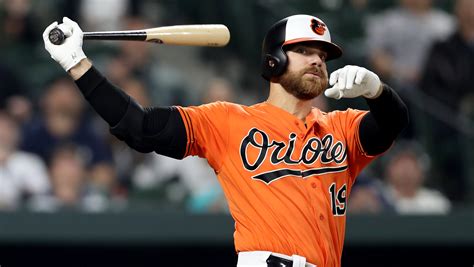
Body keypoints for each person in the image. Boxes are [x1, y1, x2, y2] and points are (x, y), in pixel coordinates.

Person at [43, 15, 408, 267]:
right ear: (274, 61)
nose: (317, 61)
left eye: (322, 55)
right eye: (306, 51)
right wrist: (78, 64)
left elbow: (393, 123)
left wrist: (378, 91)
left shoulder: (343, 128)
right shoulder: (230, 121)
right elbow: (140, 128)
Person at [419, 0, 474, 202]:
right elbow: (430, 88)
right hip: (451, 122)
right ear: (456, 12)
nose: (470, 12)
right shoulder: (443, 48)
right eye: (465, 6)